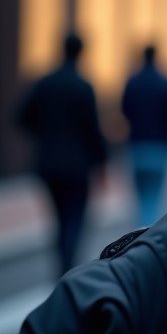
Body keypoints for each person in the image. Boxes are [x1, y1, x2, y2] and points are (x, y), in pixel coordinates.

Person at [17, 32, 107, 276]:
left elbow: (23, 117)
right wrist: (102, 162)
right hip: (78, 164)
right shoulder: (83, 86)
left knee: (58, 215)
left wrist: (44, 131)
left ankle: (62, 262)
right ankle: (67, 264)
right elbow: (93, 128)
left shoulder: (44, 83)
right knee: (75, 216)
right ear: (81, 52)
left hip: (48, 161)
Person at [121, 44, 167, 227]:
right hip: (160, 145)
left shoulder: (133, 82)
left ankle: (141, 226)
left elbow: (125, 109)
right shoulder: (165, 84)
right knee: (155, 194)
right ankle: (149, 228)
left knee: (140, 194)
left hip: (137, 144)